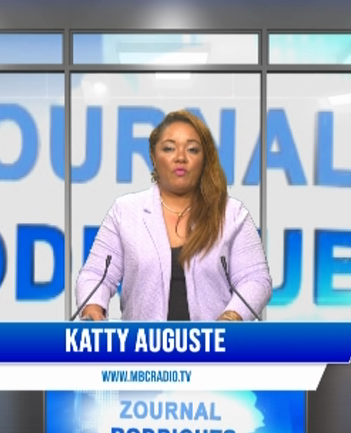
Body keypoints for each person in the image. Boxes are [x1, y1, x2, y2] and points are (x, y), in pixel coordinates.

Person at [76, 109, 272, 321]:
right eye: (169, 148)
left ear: (205, 158)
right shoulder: (125, 211)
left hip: (215, 340)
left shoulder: (232, 214)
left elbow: (255, 278)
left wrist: (232, 317)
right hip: (142, 341)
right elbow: (96, 275)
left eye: (192, 150)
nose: (180, 158)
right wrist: (93, 309)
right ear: (153, 156)